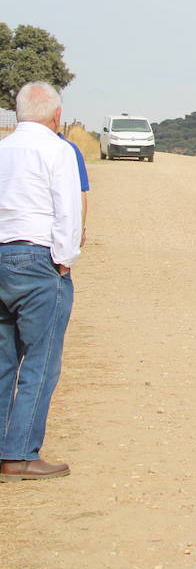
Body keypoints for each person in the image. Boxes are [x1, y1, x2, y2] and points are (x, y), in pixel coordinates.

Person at [0, 81, 80, 481]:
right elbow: (68, 210)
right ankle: (20, 454)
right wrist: (63, 261)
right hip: (37, 257)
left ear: (18, 113)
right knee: (41, 360)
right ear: (56, 115)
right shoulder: (58, 150)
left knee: (3, 361)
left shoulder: (3, 149)